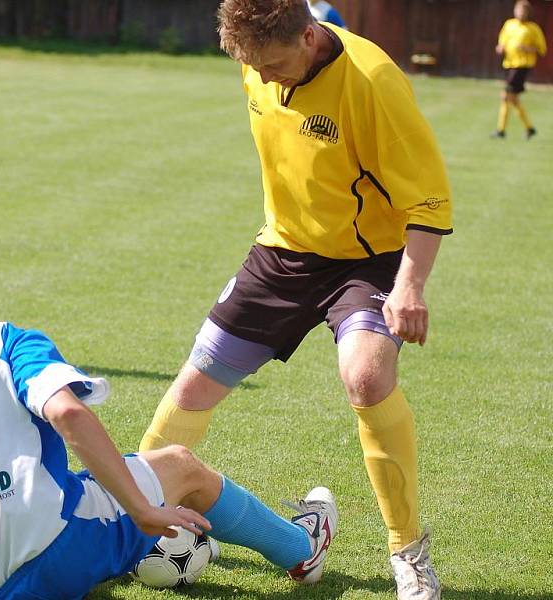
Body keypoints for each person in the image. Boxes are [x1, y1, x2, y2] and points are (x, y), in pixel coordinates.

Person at [0, 247, 339, 599]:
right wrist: (143, 508)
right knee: (178, 465)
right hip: (52, 553)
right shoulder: (3, 340)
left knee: (84, 491)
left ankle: (148, 550)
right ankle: (300, 550)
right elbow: (68, 411)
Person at [139, 2, 452, 599]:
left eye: (276, 65)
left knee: (365, 376)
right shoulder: (259, 57)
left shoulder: (374, 83)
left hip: (366, 260)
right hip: (281, 254)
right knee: (193, 385)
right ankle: (124, 514)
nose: (266, 77)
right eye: (254, 67)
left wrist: (409, 286)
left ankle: (408, 553)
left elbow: (430, 200)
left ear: (311, 37)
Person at [492, 0, 547, 140]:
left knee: (506, 95)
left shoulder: (532, 28)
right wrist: (500, 48)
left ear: (528, 13)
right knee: (513, 99)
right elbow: (502, 41)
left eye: (523, 11)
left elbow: (542, 49)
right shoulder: (509, 25)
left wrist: (527, 48)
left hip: (522, 65)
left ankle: (501, 130)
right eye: (518, 10)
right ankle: (529, 128)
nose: (520, 13)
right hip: (509, 64)